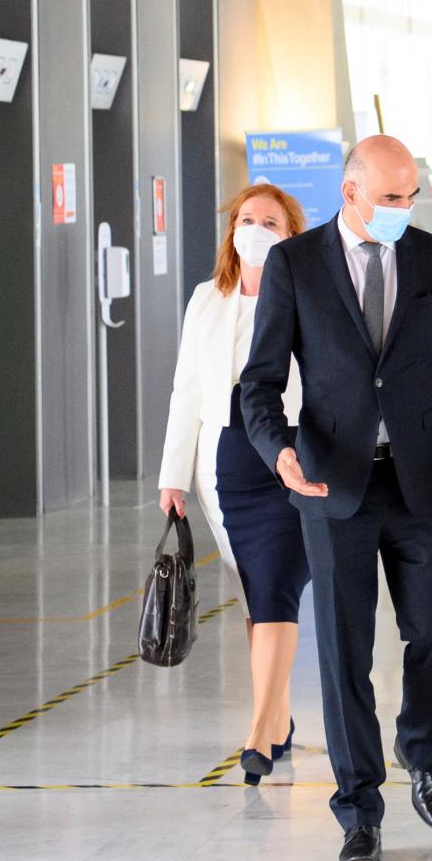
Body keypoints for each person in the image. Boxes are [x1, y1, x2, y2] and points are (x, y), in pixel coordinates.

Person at [238, 137, 432, 861]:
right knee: (345, 653)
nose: (403, 209)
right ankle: (359, 810)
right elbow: (258, 382)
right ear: (350, 192)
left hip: (420, 483)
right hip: (331, 484)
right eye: (390, 197)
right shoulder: (295, 264)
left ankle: (420, 752)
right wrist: (279, 450)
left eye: (411, 195)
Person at [157, 184, 309, 785]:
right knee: (253, 593)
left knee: (276, 587)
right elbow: (186, 391)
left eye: (269, 221)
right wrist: (173, 476)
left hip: (294, 455)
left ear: (291, 234)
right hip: (224, 462)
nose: (254, 228)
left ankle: (259, 733)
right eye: (246, 219)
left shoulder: (310, 294)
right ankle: (280, 717)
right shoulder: (207, 298)